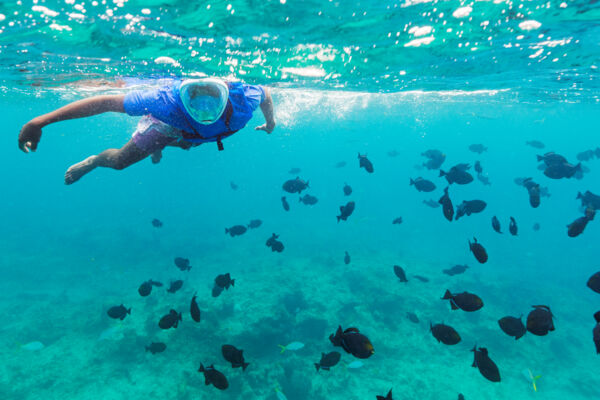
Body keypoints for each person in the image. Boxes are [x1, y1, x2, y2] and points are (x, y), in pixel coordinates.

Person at [18, 77, 275, 184]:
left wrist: (271, 122)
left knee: (188, 143)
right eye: (195, 103)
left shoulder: (243, 100)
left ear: (227, 97)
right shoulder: (164, 102)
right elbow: (106, 102)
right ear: (181, 99)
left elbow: (266, 92)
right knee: (120, 162)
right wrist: (39, 122)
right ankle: (96, 161)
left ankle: (159, 145)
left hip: (190, 136)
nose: (204, 113)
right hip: (169, 127)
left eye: (212, 102)